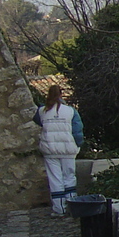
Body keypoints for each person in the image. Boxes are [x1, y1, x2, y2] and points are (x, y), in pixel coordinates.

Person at [33, 84, 84, 214]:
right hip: (68, 149)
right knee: (69, 176)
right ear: (61, 95)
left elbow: (38, 121)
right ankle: (72, 206)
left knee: (55, 179)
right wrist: (78, 144)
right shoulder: (70, 111)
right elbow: (77, 131)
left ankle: (59, 208)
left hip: (50, 149)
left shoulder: (42, 111)